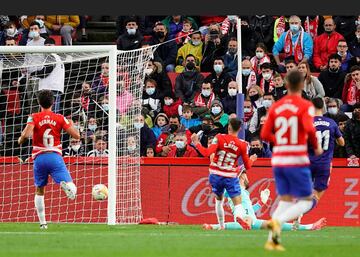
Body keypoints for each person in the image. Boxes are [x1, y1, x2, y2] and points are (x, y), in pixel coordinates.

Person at [260, 70, 323, 251]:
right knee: (307, 200)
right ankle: (276, 221)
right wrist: (316, 146)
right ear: (302, 85)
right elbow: (309, 129)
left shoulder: (276, 106)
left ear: (286, 84)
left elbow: (264, 134)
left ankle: (273, 241)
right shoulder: (305, 106)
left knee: (286, 200)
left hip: (278, 158)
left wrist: (281, 140)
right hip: (296, 158)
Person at [17, 90, 79, 229]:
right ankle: (66, 186)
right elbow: (77, 136)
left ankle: (43, 223)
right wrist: (70, 123)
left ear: (39, 102)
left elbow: (26, 135)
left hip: (39, 158)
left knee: (39, 190)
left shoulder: (34, 116)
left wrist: (20, 139)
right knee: (72, 188)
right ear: (53, 102)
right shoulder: (59, 118)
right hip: (54, 156)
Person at [203, 170, 326, 231]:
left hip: (252, 219)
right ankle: (215, 226)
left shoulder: (244, 193)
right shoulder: (232, 190)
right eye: (242, 175)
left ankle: (310, 227)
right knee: (248, 221)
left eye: (244, 175)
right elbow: (222, 191)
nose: (244, 176)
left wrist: (262, 201)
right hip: (244, 218)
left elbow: (252, 209)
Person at [191, 118, 257, 231]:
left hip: (215, 174)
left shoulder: (219, 137)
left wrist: (197, 142)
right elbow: (248, 166)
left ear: (229, 127)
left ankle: (221, 226)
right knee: (238, 204)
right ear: (240, 129)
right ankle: (240, 218)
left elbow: (206, 153)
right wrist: (252, 160)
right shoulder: (243, 144)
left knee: (219, 200)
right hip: (230, 175)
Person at [307, 97, 345, 212]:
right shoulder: (331, 123)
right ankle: (306, 208)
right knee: (318, 193)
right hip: (324, 163)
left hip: (308, 162)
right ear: (323, 107)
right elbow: (342, 143)